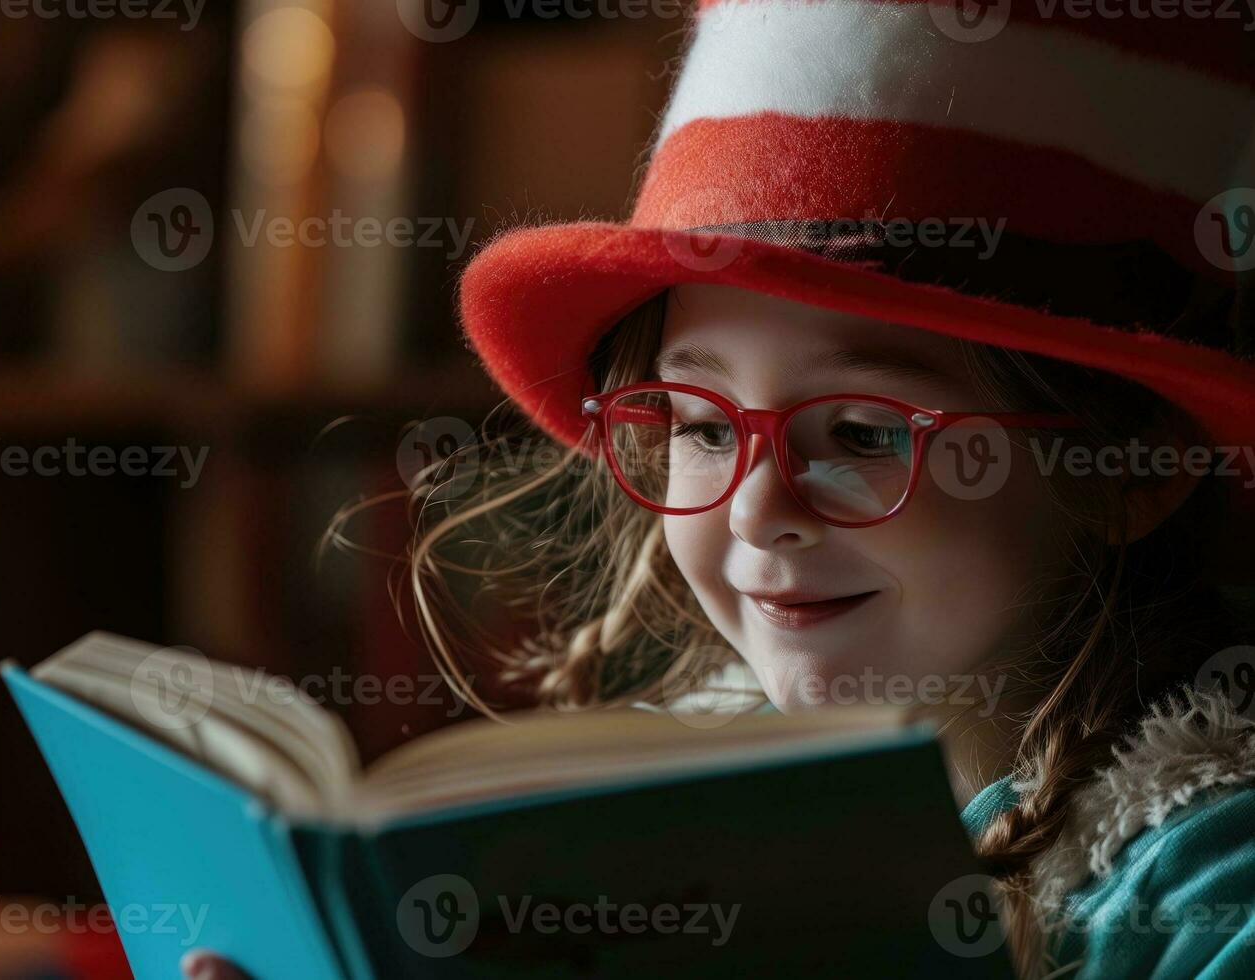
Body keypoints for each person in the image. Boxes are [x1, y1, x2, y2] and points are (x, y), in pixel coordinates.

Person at [186, 1, 1255, 976]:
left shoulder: (1213, 881)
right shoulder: (678, 819)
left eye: (866, 431)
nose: (755, 510)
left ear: (1136, 465)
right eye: (701, 425)